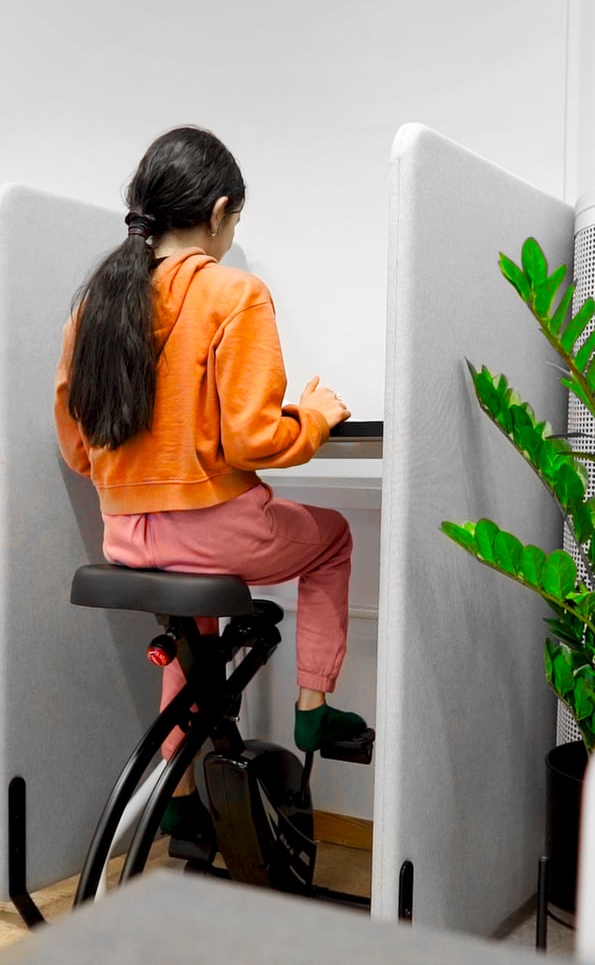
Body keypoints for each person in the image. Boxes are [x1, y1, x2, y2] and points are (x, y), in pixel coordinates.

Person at [54, 125, 367, 849]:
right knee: (334, 540)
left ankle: (181, 794)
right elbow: (254, 440)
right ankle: (316, 704)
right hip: (217, 530)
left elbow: (78, 445)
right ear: (221, 212)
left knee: (192, 634)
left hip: (125, 538)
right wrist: (314, 418)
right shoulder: (235, 294)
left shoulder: (93, 308)